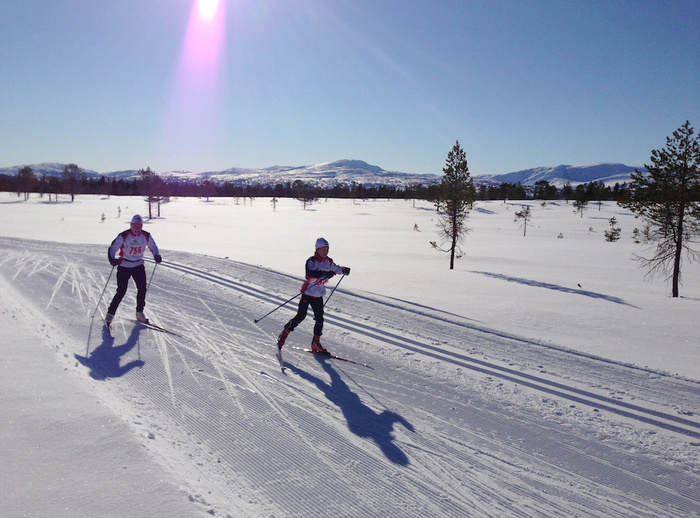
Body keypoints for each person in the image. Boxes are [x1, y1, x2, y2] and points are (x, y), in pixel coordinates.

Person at [277, 237, 350, 353]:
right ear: (317, 249)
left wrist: (343, 270)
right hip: (308, 293)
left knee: (320, 318)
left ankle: (316, 343)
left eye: (327, 249)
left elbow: (336, 269)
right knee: (301, 316)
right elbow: (309, 274)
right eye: (323, 250)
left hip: (319, 295)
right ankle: (284, 334)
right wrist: (325, 274)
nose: (325, 252)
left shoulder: (329, 261)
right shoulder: (311, 261)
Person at [105, 214, 162, 325]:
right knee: (121, 291)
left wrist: (156, 255)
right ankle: (110, 315)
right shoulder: (124, 235)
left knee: (142, 289)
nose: (137, 229)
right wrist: (112, 259)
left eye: (140, 226)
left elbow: (153, 246)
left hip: (138, 265)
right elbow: (113, 248)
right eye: (135, 226)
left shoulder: (146, 235)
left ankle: (139, 312)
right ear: (131, 225)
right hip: (124, 266)